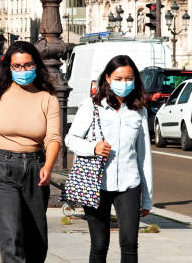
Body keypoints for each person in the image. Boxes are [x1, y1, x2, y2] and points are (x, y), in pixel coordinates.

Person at [0, 41, 61, 263]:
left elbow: (54, 138)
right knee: (11, 239)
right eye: (16, 66)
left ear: (36, 65)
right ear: (8, 66)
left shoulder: (48, 97)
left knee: (36, 245)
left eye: (27, 65)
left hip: (36, 170)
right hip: (2, 170)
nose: (22, 71)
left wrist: (48, 167)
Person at [65, 55, 153, 263]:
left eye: (129, 79)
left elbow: (144, 155)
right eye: (119, 78)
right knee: (99, 244)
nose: (124, 83)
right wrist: (93, 148)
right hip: (96, 184)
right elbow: (70, 139)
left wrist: (147, 197)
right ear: (108, 78)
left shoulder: (138, 111)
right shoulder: (91, 106)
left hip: (129, 184)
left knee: (130, 243)